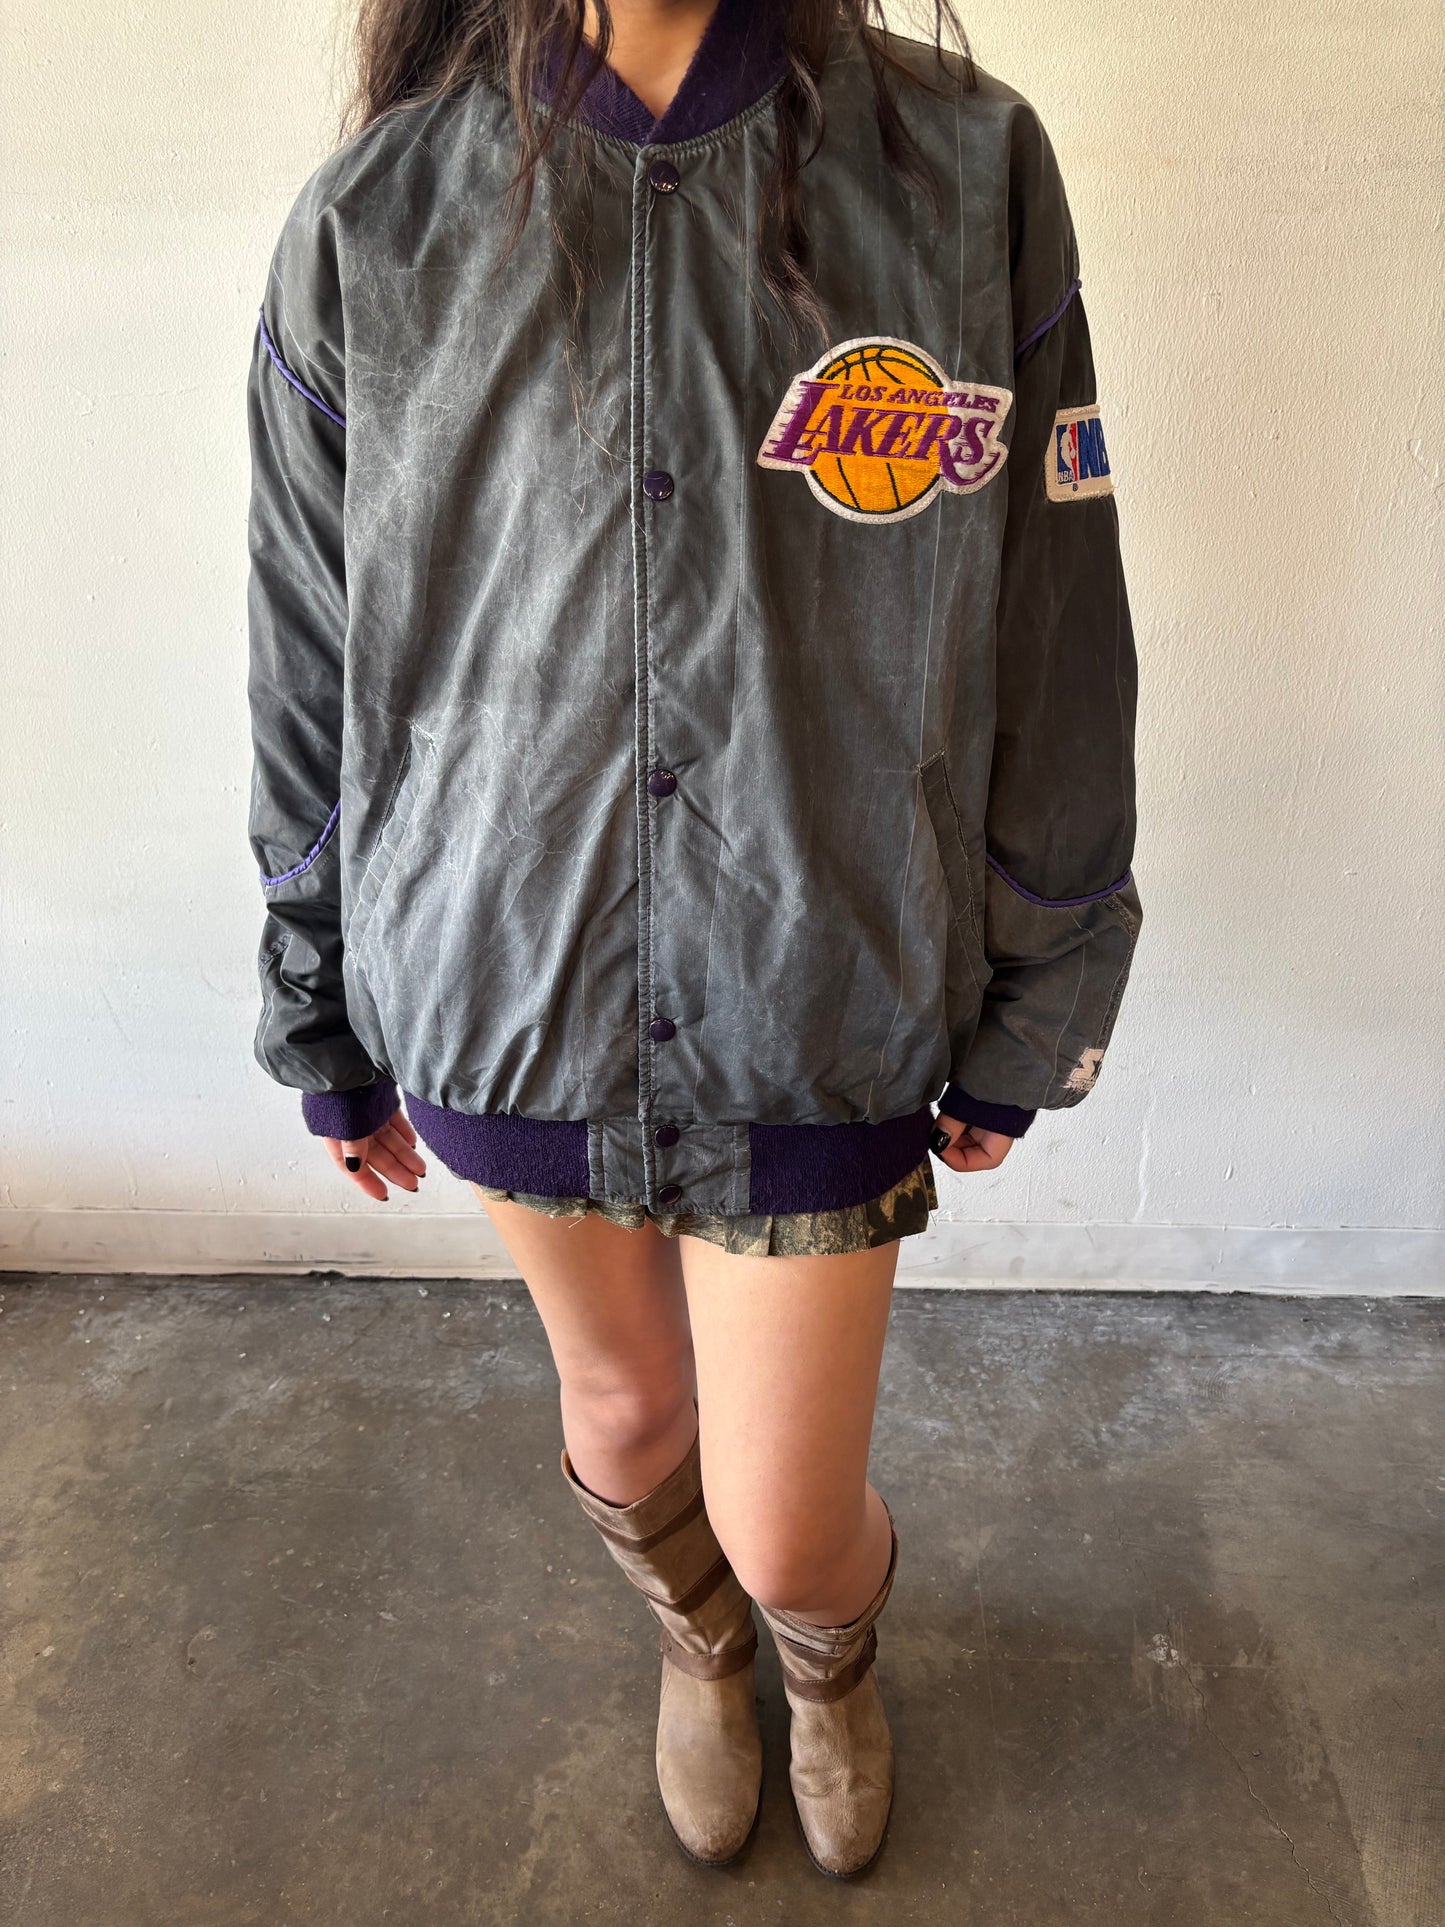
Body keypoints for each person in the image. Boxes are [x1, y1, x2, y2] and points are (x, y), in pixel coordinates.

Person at [244, 0, 1142, 1879]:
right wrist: (315, 994)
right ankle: (700, 1646)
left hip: (824, 975)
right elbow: (310, 645)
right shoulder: (377, 215)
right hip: (502, 964)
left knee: (789, 1513)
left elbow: (1054, 611)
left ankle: (819, 1652)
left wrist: (1043, 971)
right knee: (626, 1406)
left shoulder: (962, 165)